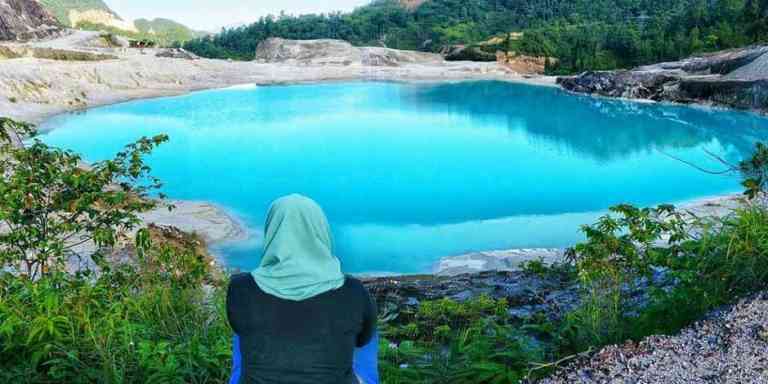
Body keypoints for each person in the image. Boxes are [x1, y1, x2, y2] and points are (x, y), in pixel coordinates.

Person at [227, 194, 379, 384]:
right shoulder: (353, 290)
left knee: (245, 331)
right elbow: (363, 340)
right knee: (364, 327)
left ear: (272, 231)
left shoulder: (241, 288)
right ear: (320, 230)